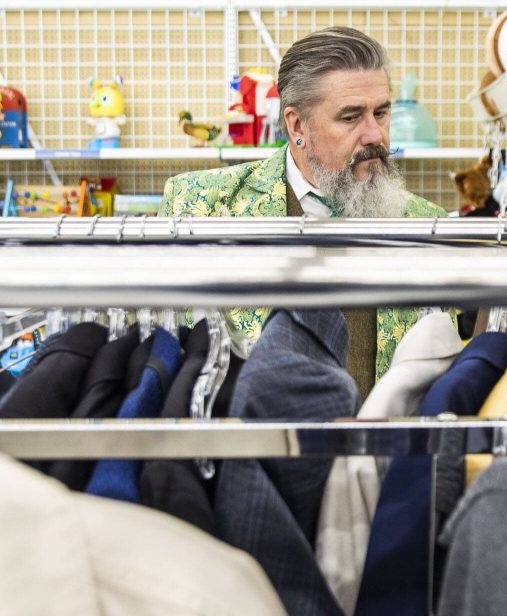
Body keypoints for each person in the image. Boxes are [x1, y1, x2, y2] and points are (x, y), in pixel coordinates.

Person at [158, 27, 449, 398]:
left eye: (381, 112)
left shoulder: (426, 226)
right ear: (297, 126)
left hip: (380, 451)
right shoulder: (200, 206)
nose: (375, 135)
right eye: (351, 117)